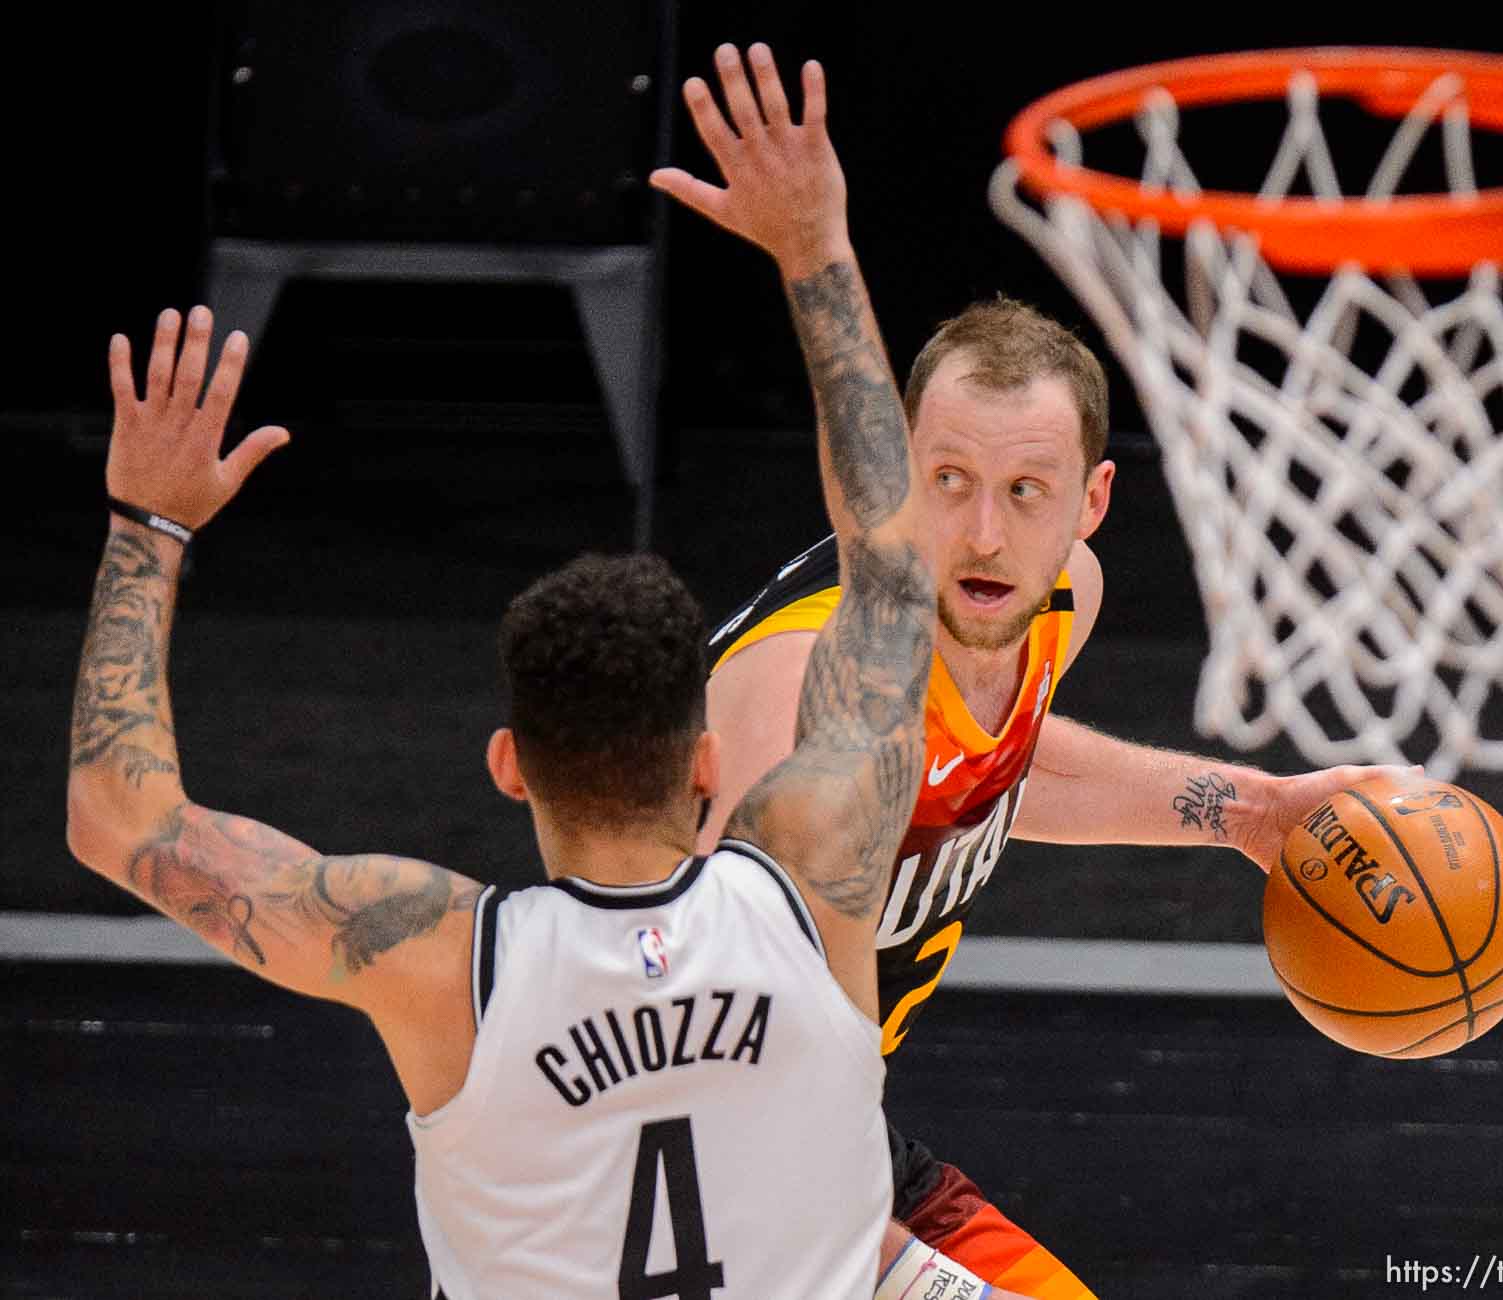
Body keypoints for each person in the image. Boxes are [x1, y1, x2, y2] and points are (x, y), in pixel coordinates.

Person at [65, 46, 939, 1294]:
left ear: (507, 766)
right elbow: (896, 574)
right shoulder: (814, 873)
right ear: (705, 764)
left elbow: (118, 820)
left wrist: (143, 527)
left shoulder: (433, 954)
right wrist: (815, 250)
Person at [663, 43, 1419, 1300]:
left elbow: (998, 771)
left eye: (1025, 494)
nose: (980, 534)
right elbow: (690, 1000)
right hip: (689, 1157)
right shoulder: (799, 687)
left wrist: (1246, 810)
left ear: (1091, 503)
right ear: (893, 471)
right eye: (945, 482)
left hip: (840, 1138)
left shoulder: (1058, 600)